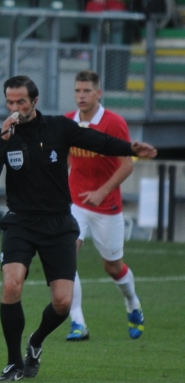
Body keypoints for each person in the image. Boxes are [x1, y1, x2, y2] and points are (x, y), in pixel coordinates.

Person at [0, 75, 156, 382]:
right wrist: (0, 145)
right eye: (10, 101)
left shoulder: (59, 128)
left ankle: (35, 343)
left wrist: (132, 148)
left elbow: (98, 141)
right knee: (11, 285)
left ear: (34, 101)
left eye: (21, 101)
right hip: (20, 221)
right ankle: (13, 362)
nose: (15, 107)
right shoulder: (3, 135)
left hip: (59, 224)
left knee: (62, 302)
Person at [64, 70, 144, 341]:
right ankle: (77, 323)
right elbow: (64, 160)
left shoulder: (113, 123)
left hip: (106, 206)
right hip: (75, 203)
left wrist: (102, 191)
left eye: (86, 91)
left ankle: (132, 302)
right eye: (77, 91)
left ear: (99, 93)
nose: (81, 96)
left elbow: (126, 164)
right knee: (65, 256)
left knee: (113, 266)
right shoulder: (68, 122)